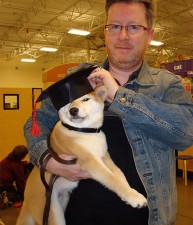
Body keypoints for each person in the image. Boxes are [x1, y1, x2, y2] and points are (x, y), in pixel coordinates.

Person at [24, 0, 193, 224]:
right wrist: (48, 159)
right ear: (105, 32)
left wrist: (118, 95)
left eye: (134, 27)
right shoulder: (77, 80)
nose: (123, 36)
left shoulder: (166, 85)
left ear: (150, 34)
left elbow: (185, 133)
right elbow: (34, 126)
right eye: (114, 26)